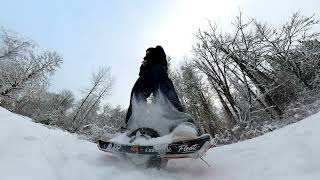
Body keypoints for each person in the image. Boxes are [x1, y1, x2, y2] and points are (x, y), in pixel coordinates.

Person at [125, 46, 199, 141]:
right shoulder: (144, 64)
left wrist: (160, 63)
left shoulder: (158, 52)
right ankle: (132, 127)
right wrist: (143, 67)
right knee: (136, 92)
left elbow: (162, 59)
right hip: (145, 74)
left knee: (161, 86)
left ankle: (180, 124)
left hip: (157, 69)